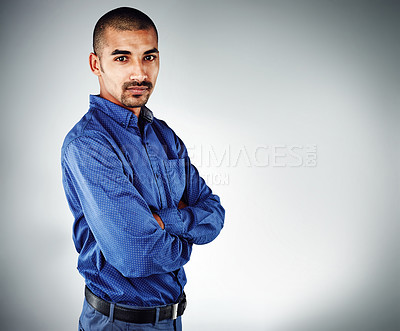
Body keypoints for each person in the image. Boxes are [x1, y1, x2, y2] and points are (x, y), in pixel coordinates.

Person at [61, 7, 225, 331]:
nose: (140, 72)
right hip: (117, 323)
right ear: (96, 64)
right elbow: (137, 253)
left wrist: (163, 221)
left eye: (149, 57)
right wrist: (187, 233)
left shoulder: (165, 136)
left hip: (172, 321)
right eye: (122, 58)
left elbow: (215, 213)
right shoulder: (88, 145)